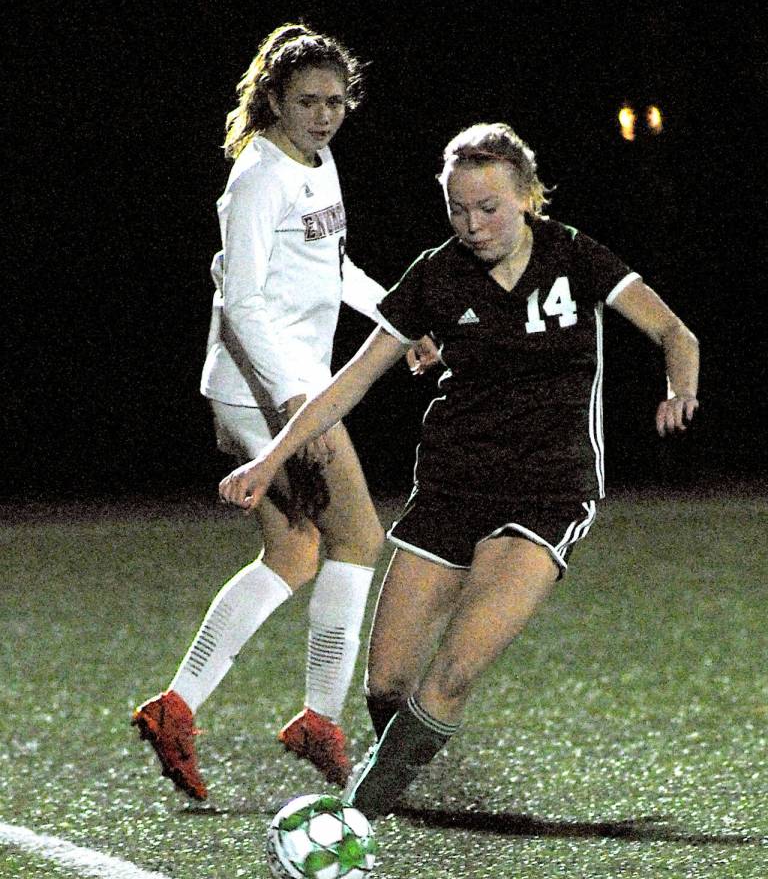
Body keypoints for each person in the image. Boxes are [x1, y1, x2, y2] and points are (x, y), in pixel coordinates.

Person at [218, 121, 700, 819]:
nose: (472, 224)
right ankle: (404, 767)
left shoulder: (573, 256)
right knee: (386, 682)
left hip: (548, 490)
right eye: (457, 208)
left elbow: (674, 331)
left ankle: (356, 820)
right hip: (451, 488)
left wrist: (678, 387)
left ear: (527, 197)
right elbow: (349, 383)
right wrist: (272, 457)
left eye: (489, 207)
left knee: (454, 670)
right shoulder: (435, 277)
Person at [133, 23, 396, 800]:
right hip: (267, 390)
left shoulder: (319, 162)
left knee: (296, 552)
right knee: (358, 535)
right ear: (274, 98)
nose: (324, 115)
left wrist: (393, 322)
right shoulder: (257, 177)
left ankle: (175, 706)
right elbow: (240, 298)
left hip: (290, 385)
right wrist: (290, 398)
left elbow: (332, 265)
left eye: (337, 101)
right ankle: (319, 717)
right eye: (308, 101)